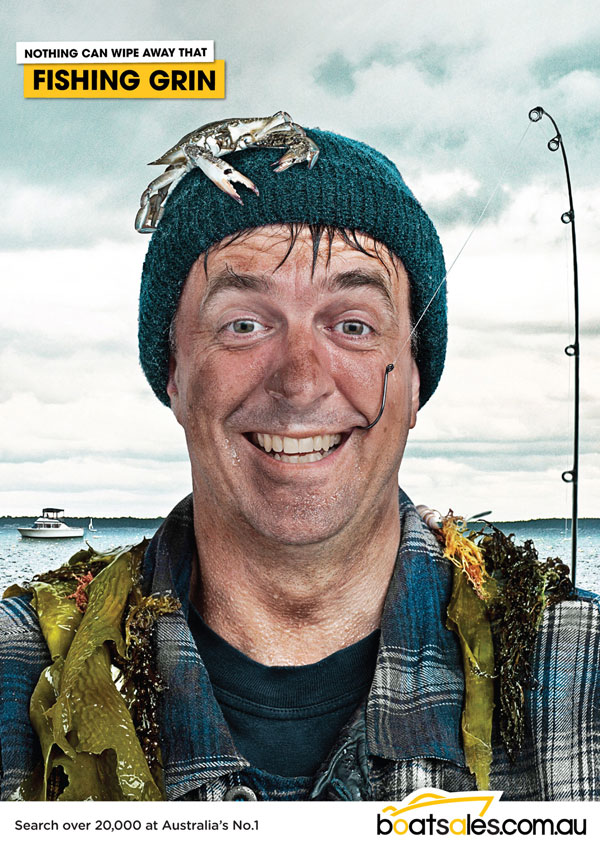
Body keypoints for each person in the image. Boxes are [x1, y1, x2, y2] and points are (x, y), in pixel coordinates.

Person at [1, 119, 598, 802]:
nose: (301, 382)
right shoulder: (20, 666)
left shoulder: (579, 669)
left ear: (413, 381)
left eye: (353, 325)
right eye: (244, 325)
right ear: (174, 375)